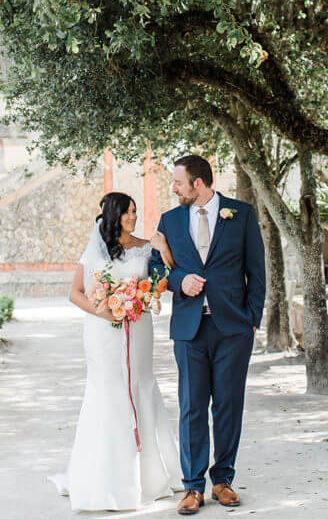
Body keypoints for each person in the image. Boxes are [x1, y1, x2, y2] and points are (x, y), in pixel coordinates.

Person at [149, 155, 265, 515]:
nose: (173, 188)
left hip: (232, 328)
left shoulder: (241, 214)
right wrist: (179, 280)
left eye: (178, 182)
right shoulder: (169, 220)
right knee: (192, 407)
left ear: (198, 183)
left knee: (229, 406)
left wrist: (252, 320)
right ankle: (192, 487)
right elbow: (154, 267)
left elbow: (256, 270)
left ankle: (223, 481)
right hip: (189, 328)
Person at [50, 192, 178, 511]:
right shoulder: (95, 248)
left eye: (135, 211)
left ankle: (149, 475)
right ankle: (106, 477)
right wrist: (105, 311)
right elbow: (75, 294)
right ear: (113, 215)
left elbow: (164, 282)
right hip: (103, 332)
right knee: (108, 392)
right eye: (126, 213)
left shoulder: (147, 246)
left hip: (140, 330)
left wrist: (163, 250)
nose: (132, 217)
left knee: (140, 387)